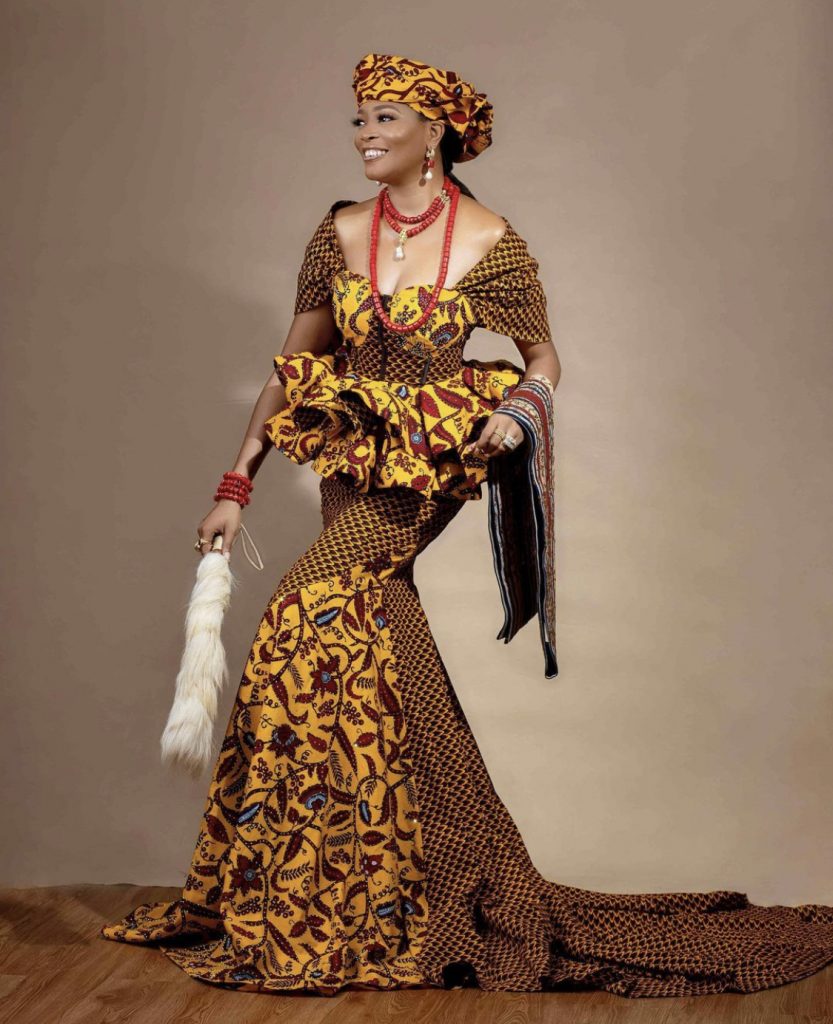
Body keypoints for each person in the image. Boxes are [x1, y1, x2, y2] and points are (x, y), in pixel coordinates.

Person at [99, 52, 833, 997]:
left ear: (434, 130)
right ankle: (375, 881)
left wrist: (518, 411)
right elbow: (290, 368)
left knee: (301, 615)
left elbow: (544, 357)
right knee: (370, 631)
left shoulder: (491, 241)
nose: (364, 134)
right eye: (358, 118)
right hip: (347, 452)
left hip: (432, 460)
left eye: (384, 118)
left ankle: (340, 878)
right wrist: (235, 484)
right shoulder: (338, 231)